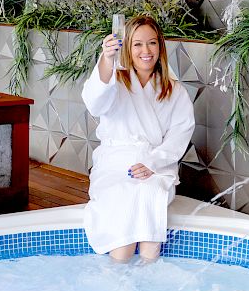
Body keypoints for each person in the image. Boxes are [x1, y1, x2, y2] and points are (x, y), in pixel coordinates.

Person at [82, 15, 196, 262]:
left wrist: (152, 164)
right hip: (115, 166)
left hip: (156, 167)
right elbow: (94, 102)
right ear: (127, 48)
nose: (146, 51)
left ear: (160, 47)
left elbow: (180, 134)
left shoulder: (174, 90)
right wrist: (107, 59)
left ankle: (146, 269)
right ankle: (123, 270)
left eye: (152, 43)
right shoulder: (115, 80)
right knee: (124, 196)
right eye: (137, 44)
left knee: (149, 191)